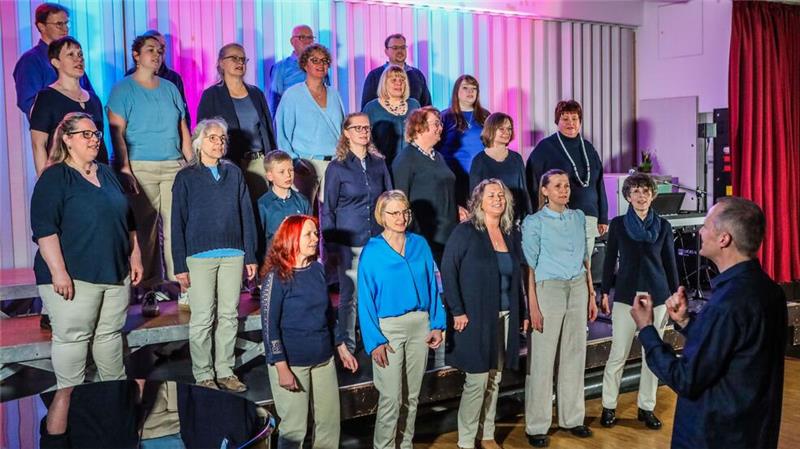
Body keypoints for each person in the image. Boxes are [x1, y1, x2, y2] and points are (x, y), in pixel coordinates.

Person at [631, 197, 787, 449]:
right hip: (752, 433)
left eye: (706, 226)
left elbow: (686, 379)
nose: (700, 232)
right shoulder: (769, 291)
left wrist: (647, 329)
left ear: (724, 239)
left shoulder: (727, 304)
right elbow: (731, 347)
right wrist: (686, 322)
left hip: (714, 436)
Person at [30, 112, 143, 388]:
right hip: (75, 276)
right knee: (73, 339)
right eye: (86, 134)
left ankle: (114, 397)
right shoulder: (54, 177)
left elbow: (128, 220)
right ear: (67, 139)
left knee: (110, 336)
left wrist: (135, 256)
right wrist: (59, 272)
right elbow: (45, 230)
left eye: (96, 134)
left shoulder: (107, 172)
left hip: (114, 272)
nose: (94, 140)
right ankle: (72, 399)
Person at [107, 32, 193, 314]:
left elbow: (183, 128)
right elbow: (117, 133)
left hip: (173, 165)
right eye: (150, 50)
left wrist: (192, 164)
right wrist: (124, 168)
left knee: (177, 226)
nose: (156, 55)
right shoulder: (122, 89)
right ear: (136, 55)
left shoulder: (170, 87)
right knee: (145, 229)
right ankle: (149, 289)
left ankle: (183, 284)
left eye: (160, 51)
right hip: (140, 166)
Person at [171, 118, 258, 392]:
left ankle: (225, 371)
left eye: (222, 138)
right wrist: (179, 263)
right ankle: (203, 374)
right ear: (199, 142)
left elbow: (246, 215)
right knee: (202, 317)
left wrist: (250, 255)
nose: (219, 142)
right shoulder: (186, 177)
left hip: (233, 253)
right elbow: (177, 222)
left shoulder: (234, 174)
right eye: (212, 137)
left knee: (229, 315)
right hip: (199, 255)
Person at [441, 179, 528, 449]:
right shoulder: (465, 232)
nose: (498, 199)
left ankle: (487, 434)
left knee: (495, 378)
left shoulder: (509, 233)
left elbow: (516, 278)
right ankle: (466, 440)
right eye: (491, 195)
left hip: (506, 315)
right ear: (479, 201)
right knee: (477, 380)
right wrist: (457, 310)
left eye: (501, 195)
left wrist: (523, 311)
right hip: (475, 317)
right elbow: (448, 271)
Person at [261, 215, 358, 449]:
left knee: (329, 424)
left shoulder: (317, 269)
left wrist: (341, 347)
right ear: (291, 238)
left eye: (316, 233)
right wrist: (282, 368)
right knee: (294, 430)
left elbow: (328, 314)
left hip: (323, 359)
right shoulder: (276, 276)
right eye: (308, 234)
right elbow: (269, 326)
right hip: (293, 363)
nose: (315, 238)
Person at [358, 190, 446, 449]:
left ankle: (405, 445)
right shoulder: (372, 251)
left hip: (420, 325)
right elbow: (365, 299)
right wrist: (374, 341)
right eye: (394, 213)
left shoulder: (420, 244)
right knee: (391, 398)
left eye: (404, 212)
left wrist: (437, 324)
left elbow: (432, 286)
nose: (401, 217)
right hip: (389, 329)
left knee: (412, 396)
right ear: (382, 216)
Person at [522, 169, 598, 447]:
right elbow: (529, 267)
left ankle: (572, 418)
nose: (564, 190)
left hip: (577, 287)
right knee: (542, 359)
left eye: (566, 185)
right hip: (548, 288)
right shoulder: (534, 222)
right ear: (544, 190)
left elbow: (586, 258)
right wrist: (532, 305)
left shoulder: (578, 217)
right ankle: (537, 425)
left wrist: (591, 293)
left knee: (574, 354)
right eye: (557, 186)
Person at [599, 173, 679, 430]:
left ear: (653, 195)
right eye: (635, 191)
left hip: (657, 297)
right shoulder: (618, 224)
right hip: (626, 296)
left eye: (645, 191)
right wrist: (604, 292)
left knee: (652, 356)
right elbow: (609, 259)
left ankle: (647, 407)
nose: (641, 196)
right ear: (628, 196)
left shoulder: (663, 226)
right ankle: (608, 406)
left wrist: (675, 293)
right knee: (618, 354)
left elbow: (670, 262)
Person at [322, 113, 393, 353]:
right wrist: (331, 246)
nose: (363, 132)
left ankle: (378, 340)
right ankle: (347, 346)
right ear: (346, 133)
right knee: (349, 296)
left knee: (378, 292)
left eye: (366, 128)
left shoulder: (379, 163)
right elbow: (329, 209)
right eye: (358, 128)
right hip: (349, 241)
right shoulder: (337, 167)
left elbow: (389, 199)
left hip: (377, 240)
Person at [525, 100, 608, 259]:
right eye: (565, 119)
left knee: (585, 266)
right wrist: (535, 215)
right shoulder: (545, 148)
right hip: (559, 218)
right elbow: (532, 183)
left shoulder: (588, 148)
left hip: (588, 217)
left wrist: (603, 216)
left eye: (574, 118)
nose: (570, 123)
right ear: (557, 121)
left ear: (580, 121)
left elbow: (599, 183)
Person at [197, 43, 277, 201]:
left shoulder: (256, 93)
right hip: (228, 163)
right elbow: (202, 133)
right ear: (221, 63)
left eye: (243, 59)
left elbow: (268, 129)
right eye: (234, 58)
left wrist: (273, 161)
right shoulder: (211, 95)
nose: (240, 62)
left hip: (258, 162)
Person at [275, 43, 344, 204]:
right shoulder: (292, 95)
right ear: (305, 64)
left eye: (324, 60)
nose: (321, 64)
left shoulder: (334, 94)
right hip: (304, 165)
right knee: (304, 212)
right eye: (315, 60)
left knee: (332, 213)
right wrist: (293, 161)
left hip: (333, 164)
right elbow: (282, 133)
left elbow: (342, 129)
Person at [392, 107, 462, 263]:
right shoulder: (406, 159)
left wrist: (457, 208)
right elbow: (400, 200)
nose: (440, 128)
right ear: (419, 127)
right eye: (436, 124)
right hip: (426, 237)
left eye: (440, 124)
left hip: (449, 232)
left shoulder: (438, 157)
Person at [29, 37, 107, 176]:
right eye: (71, 54)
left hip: (97, 173)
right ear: (56, 62)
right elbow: (38, 145)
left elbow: (100, 141)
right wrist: (45, 181)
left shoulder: (93, 99)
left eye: (80, 54)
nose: (78, 59)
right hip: (65, 176)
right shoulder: (46, 97)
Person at [13, 2, 95, 116]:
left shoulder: (74, 58)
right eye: (59, 24)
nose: (65, 29)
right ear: (42, 26)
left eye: (66, 23)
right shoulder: (30, 61)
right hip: (56, 125)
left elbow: (90, 96)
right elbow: (29, 103)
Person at [469, 113, 532, 223]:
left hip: (515, 218)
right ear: (491, 130)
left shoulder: (517, 158)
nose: (507, 132)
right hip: (489, 220)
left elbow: (524, 192)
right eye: (501, 129)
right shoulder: (479, 161)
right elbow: (475, 197)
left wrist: (528, 218)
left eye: (509, 129)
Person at [438, 75, 490, 205]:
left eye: (474, 88)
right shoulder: (445, 116)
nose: (470, 91)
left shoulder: (485, 116)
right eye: (465, 88)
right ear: (457, 91)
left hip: (481, 175)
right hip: (454, 176)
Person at [123, 29, 190, 127]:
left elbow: (183, 113)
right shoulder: (130, 77)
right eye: (152, 49)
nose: (159, 53)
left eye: (162, 47)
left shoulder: (174, 78)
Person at [362, 65, 421, 165]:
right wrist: (375, 156)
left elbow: (421, 133)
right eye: (394, 80)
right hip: (382, 165)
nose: (399, 83)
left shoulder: (414, 105)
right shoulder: (372, 108)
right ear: (384, 83)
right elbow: (364, 137)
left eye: (402, 80)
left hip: (412, 164)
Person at [257, 150, 311, 254]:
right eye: (282, 172)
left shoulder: (303, 201)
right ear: (270, 176)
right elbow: (259, 240)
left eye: (291, 170)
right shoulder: (262, 205)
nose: (288, 175)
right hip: (274, 259)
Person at [360, 33, 432, 109]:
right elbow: (367, 108)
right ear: (386, 51)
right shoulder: (375, 75)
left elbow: (426, 106)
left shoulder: (417, 75)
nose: (400, 51)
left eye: (403, 47)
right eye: (395, 48)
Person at [269, 24, 316, 119]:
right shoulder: (281, 67)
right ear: (292, 42)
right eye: (302, 37)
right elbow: (275, 100)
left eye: (310, 38)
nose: (307, 41)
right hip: (293, 120)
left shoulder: (320, 66)